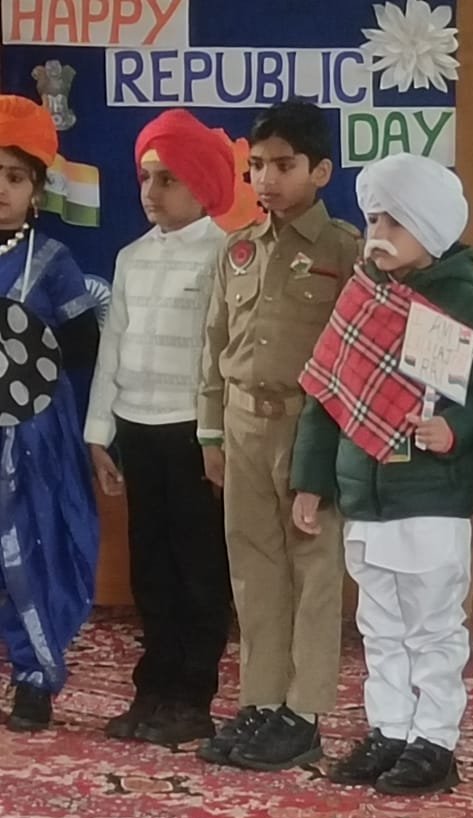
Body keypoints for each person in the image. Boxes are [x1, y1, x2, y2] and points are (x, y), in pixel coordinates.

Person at [290, 154, 473, 794]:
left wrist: (455, 429)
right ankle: (389, 728)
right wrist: (311, 481)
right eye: (373, 219)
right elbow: (327, 397)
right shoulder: (361, 297)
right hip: (365, 496)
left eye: (394, 221)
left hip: (429, 496)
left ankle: (434, 742)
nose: (378, 234)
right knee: (379, 625)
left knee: (433, 626)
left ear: (431, 229)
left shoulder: (461, 304)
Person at [196, 101, 361, 771]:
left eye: (284, 166)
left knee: (313, 569)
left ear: (320, 171)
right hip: (241, 422)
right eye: (257, 166)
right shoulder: (237, 248)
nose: (266, 179)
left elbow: (356, 355)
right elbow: (214, 344)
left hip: (308, 425)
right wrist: (211, 432)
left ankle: (304, 711)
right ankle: (261, 699)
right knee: (253, 564)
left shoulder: (345, 250)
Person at [85, 109, 241, 746]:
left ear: (202, 186)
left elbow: (224, 354)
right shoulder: (132, 257)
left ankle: (192, 696)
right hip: (138, 428)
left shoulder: (225, 255)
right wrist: (99, 432)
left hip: (193, 435)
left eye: (168, 179)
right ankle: (152, 688)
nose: (151, 191)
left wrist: (216, 438)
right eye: (146, 177)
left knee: (198, 568)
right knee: (149, 566)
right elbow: (113, 345)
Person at [0, 95, 100, 730]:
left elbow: (83, 343)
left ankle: (34, 677)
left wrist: (25, 357)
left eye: (13, 177)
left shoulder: (51, 260)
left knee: (28, 551)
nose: (0, 189)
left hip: (30, 437)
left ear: (36, 189)